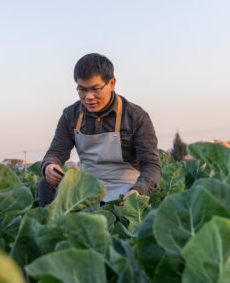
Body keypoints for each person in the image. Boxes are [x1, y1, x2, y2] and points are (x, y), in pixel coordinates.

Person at [38, 53, 161, 206]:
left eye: (95, 89)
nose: (88, 96)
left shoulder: (136, 117)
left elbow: (151, 164)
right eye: (82, 89)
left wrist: (138, 190)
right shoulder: (70, 115)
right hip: (88, 186)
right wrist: (49, 166)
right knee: (45, 185)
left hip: (125, 187)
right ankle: (51, 229)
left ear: (112, 83)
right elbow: (56, 153)